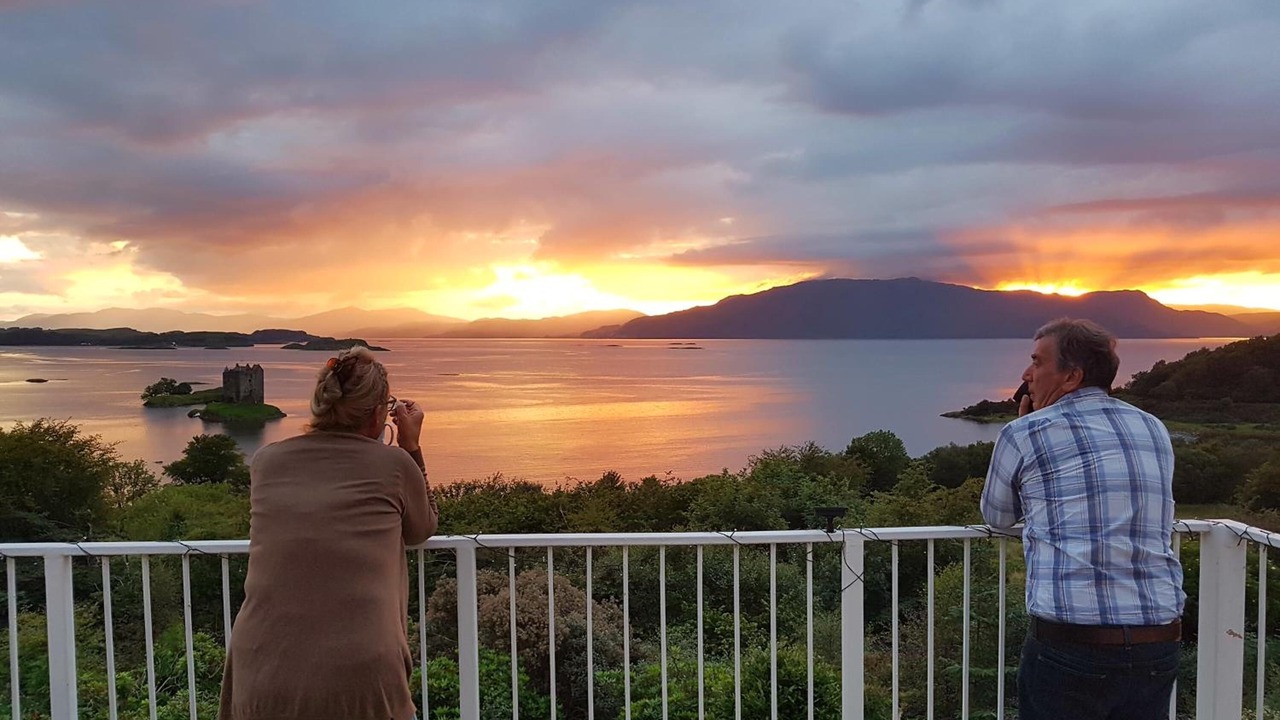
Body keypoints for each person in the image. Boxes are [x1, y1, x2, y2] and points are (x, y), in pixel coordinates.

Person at [219, 346, 439, 720]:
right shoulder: (395, 465)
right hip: (359, 671)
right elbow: (422, 529)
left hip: (260, 666)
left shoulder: (266, 461)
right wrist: (411, 446)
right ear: (375, 414)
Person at [980, 318, 1184, 720]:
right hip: (1158, 638)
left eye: (1037, 362)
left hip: (1072, 644)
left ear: (1071, 376)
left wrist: (1024, 422)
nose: (1026, 375)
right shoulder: (1153, 427)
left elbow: (998, 516)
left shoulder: (1025, 432)